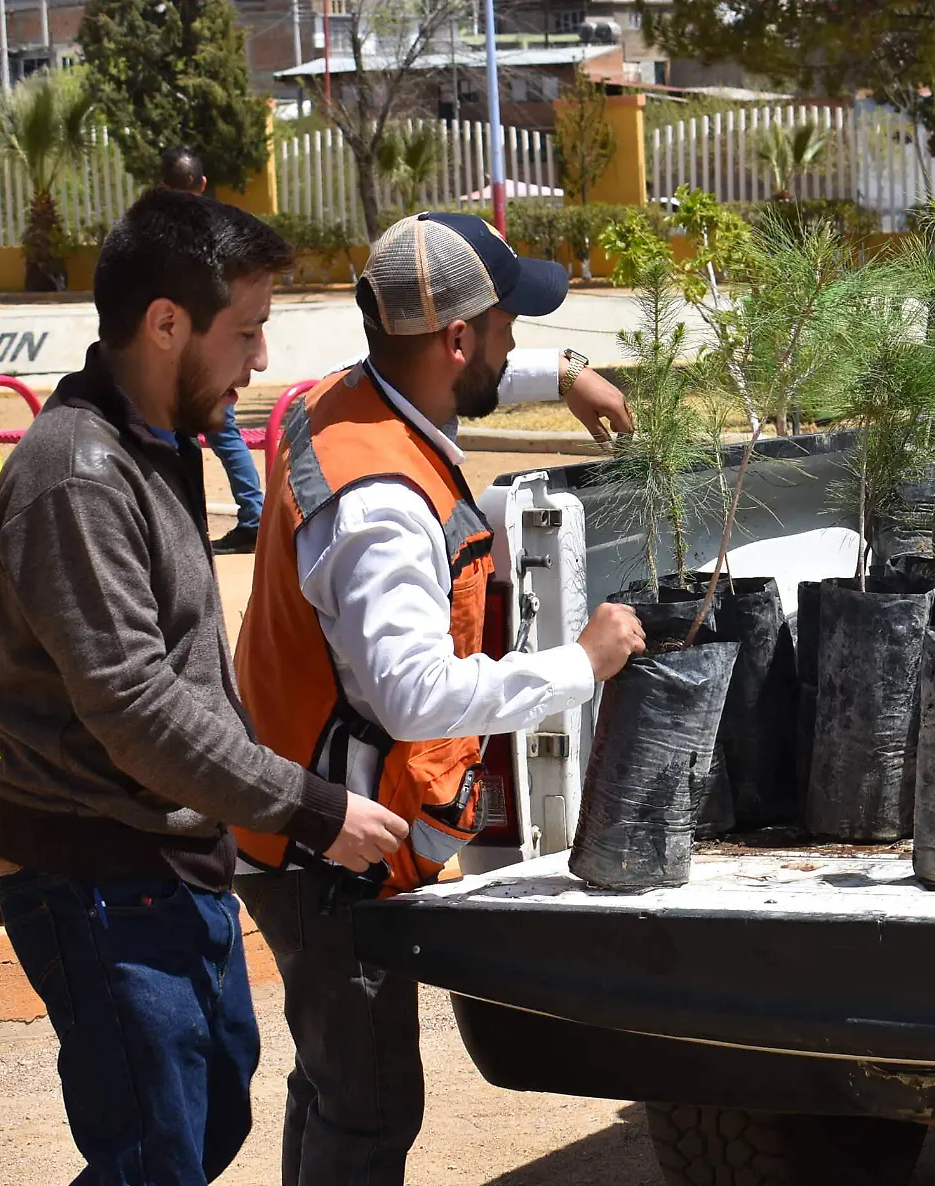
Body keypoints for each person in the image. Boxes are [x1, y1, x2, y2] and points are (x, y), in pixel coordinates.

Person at [0, 189, 411, 1186]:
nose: (261, 360)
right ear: (166, 324)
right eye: (248, 331)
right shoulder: (78, 477)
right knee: (152, 1156)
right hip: (96, 878)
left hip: (175, 864)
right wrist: (308, 808)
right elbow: (134, 705)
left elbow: (185, 669)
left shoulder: (155, 443)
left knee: (207, 1118)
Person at [231, 212, 647, 1186]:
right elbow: (414, 695)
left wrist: (564, 375)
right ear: (457, 339)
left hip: (288, 816)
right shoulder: (380, 505)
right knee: (371, 1105)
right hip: (333, 851)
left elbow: (468, 374)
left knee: (336, 1088)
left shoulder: (338, 405)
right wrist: (578, 664)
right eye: (506, 325)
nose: (513, 341)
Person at [158, 144, 268, 555]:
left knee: (171, 434)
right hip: (219, 346)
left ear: (162, 186)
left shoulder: (160, 234)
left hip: (179, 348)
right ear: (203, 184)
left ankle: (187, 525)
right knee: (222, 432)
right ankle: (252, 517)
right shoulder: (224, 229)